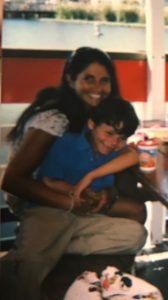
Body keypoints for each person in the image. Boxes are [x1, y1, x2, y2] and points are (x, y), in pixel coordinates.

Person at [0, 47, 148, 300]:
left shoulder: (98, 122)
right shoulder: (56, 120)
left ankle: (51, 247)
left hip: (79, 203)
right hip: (44, 200)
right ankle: (32, 256)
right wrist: (71, 200)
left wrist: (104, 190)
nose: (98, 87)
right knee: (34, 262)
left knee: (136, 221)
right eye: (88, 78)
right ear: (70, 80)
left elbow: (128, 156)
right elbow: (15, 181)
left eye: (104, 80)